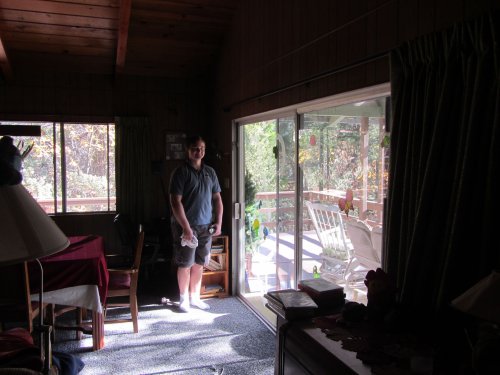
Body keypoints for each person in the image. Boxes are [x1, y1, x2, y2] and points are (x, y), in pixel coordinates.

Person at [169, 135, 223, 312]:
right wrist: (185, 228)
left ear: (204, 150)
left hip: (206, 227)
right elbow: (175, 202)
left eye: (201, 148)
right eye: (195, 148)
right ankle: (183, 299)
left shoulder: (211, 173)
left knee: (200, 263)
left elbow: (217, 199)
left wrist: (219, 223)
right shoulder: (180, 173)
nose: (198, 151)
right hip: (186, 227)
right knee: (185, 264)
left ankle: (195, 298)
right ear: (188, 150)